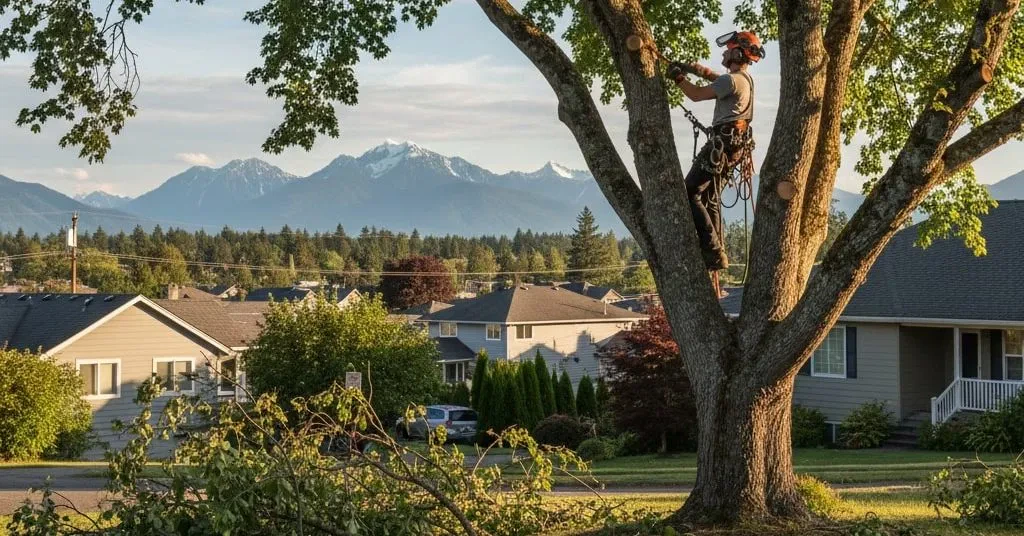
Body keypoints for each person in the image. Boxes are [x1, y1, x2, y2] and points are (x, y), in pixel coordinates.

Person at [666, 31, 764, 273]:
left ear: (737, 53)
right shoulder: (742, 80)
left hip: (722, 144)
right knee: (710, 197)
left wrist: (678, 77)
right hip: (733, 147)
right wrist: (692, 68)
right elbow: (713, 77)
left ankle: (712, 249)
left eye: (728, 49)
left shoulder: (732, 81)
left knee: (689, 192)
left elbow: (697, 95)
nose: (723, 52)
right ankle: (715, 252)